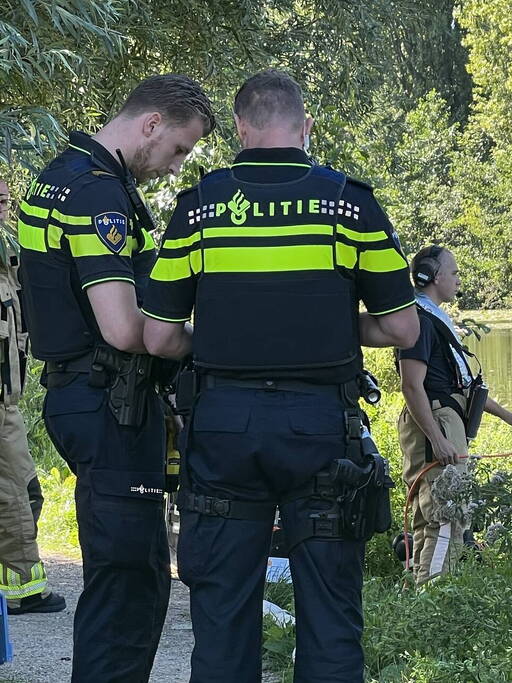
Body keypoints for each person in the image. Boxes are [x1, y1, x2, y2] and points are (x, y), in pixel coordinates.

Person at [143, 68, 419, 682]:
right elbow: (403, 330)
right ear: (307, 127)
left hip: (223, 431)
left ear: (240, 128)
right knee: (331, 618)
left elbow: (159, 337)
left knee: (221, 618)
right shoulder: (350, 206)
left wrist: (220, 340)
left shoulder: (200, 208)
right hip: (322, 432)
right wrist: (323, 331)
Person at [16, 74, 214, 681]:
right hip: (109, 401)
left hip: (80, 395)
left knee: (125, 573)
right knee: (129, 582)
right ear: (152, 124)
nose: (175, 165)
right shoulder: (98, 194)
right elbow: (125, 330)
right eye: (179, 148)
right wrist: (201, 345)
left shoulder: (55, 176)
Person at [397, 245, 512, 585]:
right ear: (434, 277)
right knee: (446, 516)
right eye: (453, 273)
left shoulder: (430, 319)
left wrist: (508, 416)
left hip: (444, 420)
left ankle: (420, 592)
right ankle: (433, 596)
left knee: (433, 518)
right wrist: (438, 439)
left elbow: (465, 385)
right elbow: (412, 386)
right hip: (437, 423)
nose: (458, 279)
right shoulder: (421, 322)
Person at [0, 178, 66, 615]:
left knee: (21, 488)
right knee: (15, 491)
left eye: (5, 195)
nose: (5, 201)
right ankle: (24, 588)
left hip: (7, 400)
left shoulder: (5, 255)